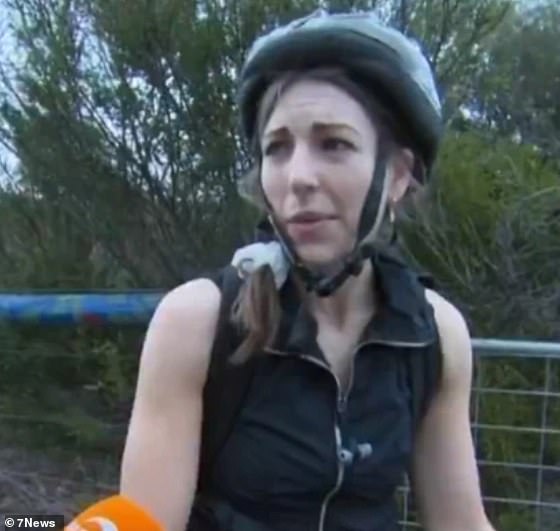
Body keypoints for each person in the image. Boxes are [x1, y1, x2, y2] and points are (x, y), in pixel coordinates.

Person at [119, 9, 496, 531]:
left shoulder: (432, 336)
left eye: (334, 144)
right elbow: (141, 524)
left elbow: (462, 523)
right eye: (277, 149)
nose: (297, 177)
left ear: (398, 176)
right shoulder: (198, 322)